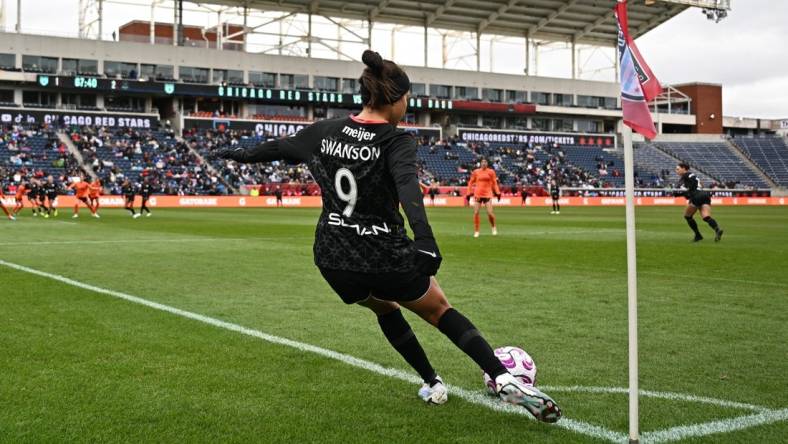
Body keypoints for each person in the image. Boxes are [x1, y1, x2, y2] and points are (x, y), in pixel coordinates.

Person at [212, 49, 561, 422]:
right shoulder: (395, 140)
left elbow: (278, 149)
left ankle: (433, 383)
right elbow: (409, 190)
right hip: (384, 253)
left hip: (333, 256)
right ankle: (504, 377)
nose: (408, 106)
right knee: (440, 310)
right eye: (407, 98)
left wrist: (237, 154)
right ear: (394, 99)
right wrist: (425, 240)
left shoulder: (324, 130)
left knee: (384, 307)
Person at [674, 162, 723, 242]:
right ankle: (717, 229)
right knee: (706, 216)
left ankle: (698, 235)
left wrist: (678, 194)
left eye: (678, 169)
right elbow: (699, 186)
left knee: (687, 216)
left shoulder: (685, 176)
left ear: (684, 168)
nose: (676, 171)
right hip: (704, 195)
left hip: (696, 196)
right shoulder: (693, 175)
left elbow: (680, 190)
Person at [466, 158, 500, 238]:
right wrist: (468, 192)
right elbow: (470, 182)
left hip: (487, 194)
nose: (484, 163)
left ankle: (493, 227)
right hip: (478, 194)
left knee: (490, 213)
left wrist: (498, 192)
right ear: (480, 163)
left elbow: (494, 183)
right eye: (482, 162)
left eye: (485, 162)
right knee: (476, 212)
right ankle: (477, 231)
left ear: (487, 163)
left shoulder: (491, 172)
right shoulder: (476, 172)